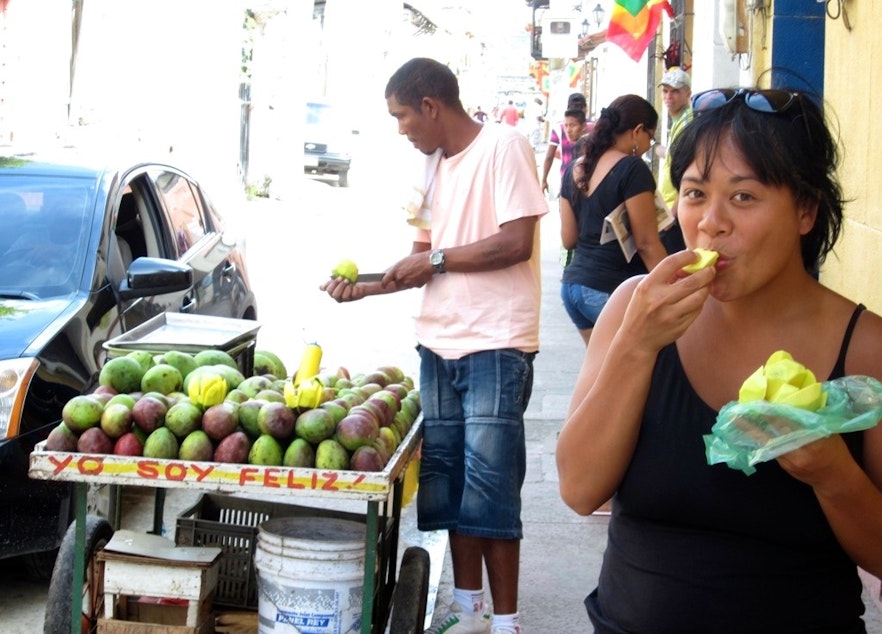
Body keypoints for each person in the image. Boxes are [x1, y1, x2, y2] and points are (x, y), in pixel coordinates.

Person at [556, 86, 882, 632]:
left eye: (744, 197)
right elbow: (579, 490)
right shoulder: (633, 311)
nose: (711, 223)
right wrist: (636, 346)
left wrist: (832, 475)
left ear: (806, 210)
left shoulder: (866, 347)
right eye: (695, 193)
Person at [321, 57, 548, 634]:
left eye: (402, 116)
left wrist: (437, 256)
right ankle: (469, 609)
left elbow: (515, 242)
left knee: (492, 486)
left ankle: (507, 621)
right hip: (437, 344)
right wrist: (365, 289)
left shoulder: (505, 145)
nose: (401, 129)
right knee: (447, 486)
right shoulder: (427, 169)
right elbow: (422, 262)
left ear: (430, 105)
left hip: (497, 343)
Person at [559, 94, 665, 346]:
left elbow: (568, 239)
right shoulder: (632, 169)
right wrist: (674, 285)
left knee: (600, 375)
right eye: (650, 137)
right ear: (637, 131)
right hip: (610, 289)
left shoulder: (574, 169)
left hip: (574, 287)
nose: (649, 145)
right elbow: (647, 244)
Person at [655, 67, 692, 254]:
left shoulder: (687, 123)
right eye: (665, 91)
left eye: (675, 91)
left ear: (688, 93)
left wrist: (673, 213)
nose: (669, 96)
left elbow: (687, 171)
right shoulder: (680, 120)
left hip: (674, 212)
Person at [540, 92, 589, 196]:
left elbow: (549, 156)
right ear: (585, 108)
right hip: (589, 181)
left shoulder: (559, 127)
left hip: (567, 179)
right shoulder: (595, 127)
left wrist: (544, 179)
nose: (569, 129)